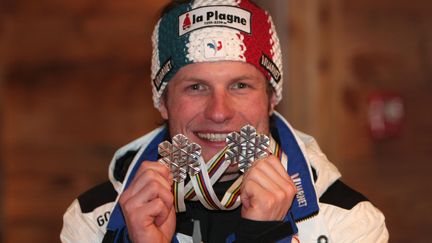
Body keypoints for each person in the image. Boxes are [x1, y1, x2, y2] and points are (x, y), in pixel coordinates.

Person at [61, 0, 389, 242]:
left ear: (272, 98)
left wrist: (265, 235)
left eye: (240, 85)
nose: (219, 112)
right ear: (163, 101)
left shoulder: (347, 221)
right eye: (196, 87)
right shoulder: (93, 220)